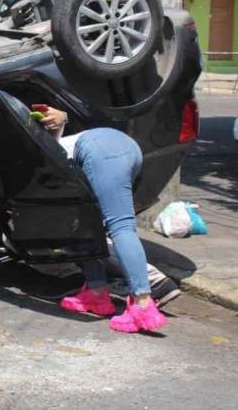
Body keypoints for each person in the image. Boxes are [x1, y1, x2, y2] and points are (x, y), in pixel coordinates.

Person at [34, 105, 168, 334]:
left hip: (99, 149)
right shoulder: (58, 144)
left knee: (121, 226)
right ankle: (96, 294)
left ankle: (143, 303)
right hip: (125, 147)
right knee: (87, 225)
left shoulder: (41, 155)